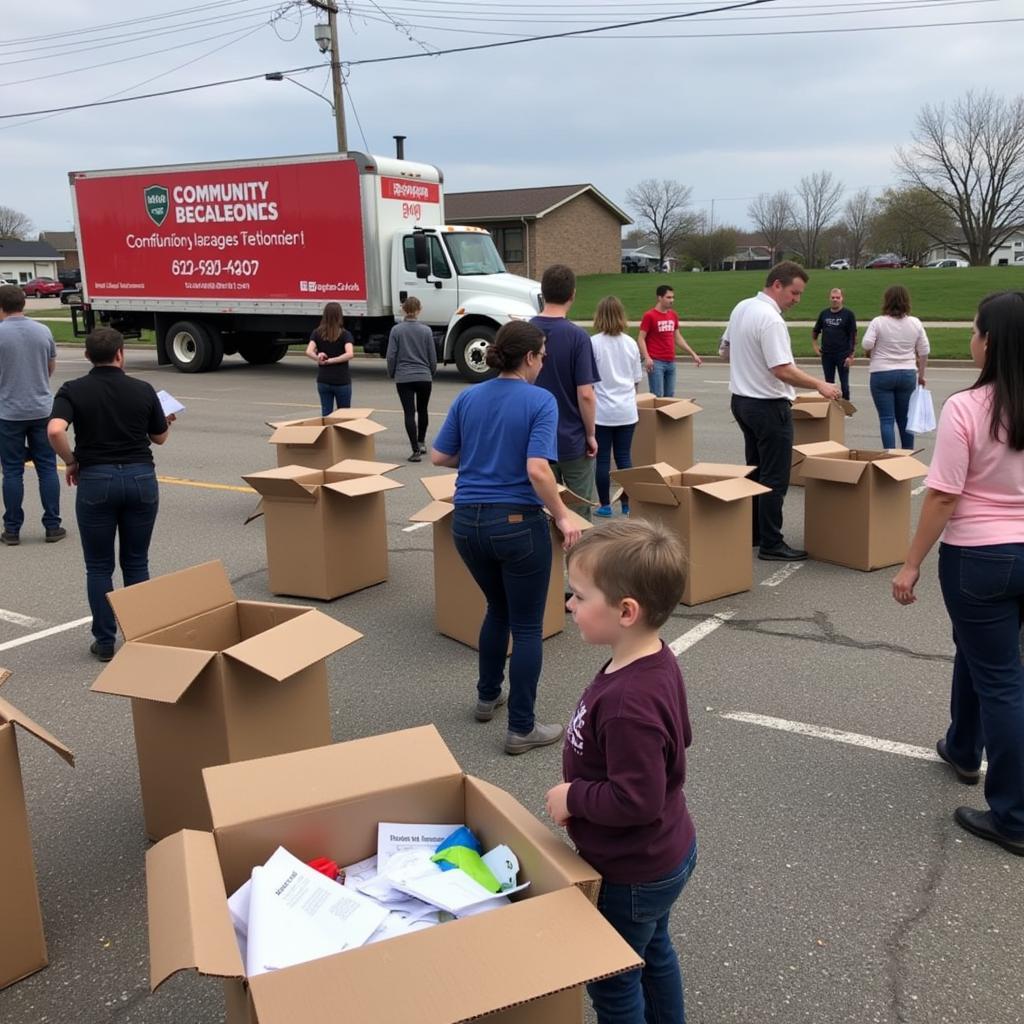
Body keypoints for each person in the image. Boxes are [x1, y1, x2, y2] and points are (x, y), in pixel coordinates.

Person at [546, 519, 697, 1022]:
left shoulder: (630, 700)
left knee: (614, 982)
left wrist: (574, 798)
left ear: (626, 611)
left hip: (632, 872)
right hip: (663, 853)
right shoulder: (648, 660)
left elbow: (637, 799)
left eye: (579, 596)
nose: (569, 605)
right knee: (653, 953)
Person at [892, 291, 1024, 857]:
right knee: (981, 654)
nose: (970, 338)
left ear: (989, 341)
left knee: (1001, 680)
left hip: (980, 556)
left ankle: (1014, 816)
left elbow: (943, 495)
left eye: (974, 329)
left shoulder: (969, 407)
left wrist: (911, 562)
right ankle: (963, 748)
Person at [432, 321, 582, 755]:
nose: (544, 362)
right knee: (528, 625)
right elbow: (538, 470)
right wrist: (563, 514)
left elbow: (441, 455)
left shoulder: (469, 395)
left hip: (466, 523)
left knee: (497, 607)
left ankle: (486, 696)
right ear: (531, 357)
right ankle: (521, 727)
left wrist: (481, 453)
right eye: (543, 356)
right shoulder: (541, 401)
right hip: (517, 524)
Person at [47, 327, 171, 661]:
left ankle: (104, 641)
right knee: (136, 562)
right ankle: (141, 634)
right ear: (120, 354)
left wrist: (72, 461)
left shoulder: (73, 390)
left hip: (96, 480)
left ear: (87, 356)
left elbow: (55, 429)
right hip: (140, 478)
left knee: (99, 567)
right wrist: (166, 421)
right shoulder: (142, 389)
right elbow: (159, 437)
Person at [727, 261, 841, 561]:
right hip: (767, 405)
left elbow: (724, 349)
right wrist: (820, 384)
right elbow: (782, 369)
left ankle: (754, 532)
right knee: (775, 477)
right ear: (776, 285)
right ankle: (771, 543)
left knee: (755, 469)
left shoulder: (741, 307)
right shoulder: (771, 319)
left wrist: (747, 367)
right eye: (794, 292)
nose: (796, 299)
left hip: (741, 401)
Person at [531, 264, 599, 520]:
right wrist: (591, 434)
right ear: (572, 294)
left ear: (543, 293)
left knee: (541, 512)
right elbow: (586, 394)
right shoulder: (577, 337)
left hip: (536, 440)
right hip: (572, 440)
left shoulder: (524, 332)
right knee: (578, 513)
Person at [0, 284, 64, 545]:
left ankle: (12, 529)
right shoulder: (43, 331)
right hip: (41, 408)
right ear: (24, 303)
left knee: (12, 471)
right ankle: (52, 525)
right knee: (47, 468)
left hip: (8, 411)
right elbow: (50, 367)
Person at [590, 296, 642, 518]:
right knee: (624, 458)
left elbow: (588, 380)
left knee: (602, 459)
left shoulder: (593, 343)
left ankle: (604, 504)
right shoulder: (630, 343)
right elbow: (636, 379)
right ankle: (627, 504)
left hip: (601, 411)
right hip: (626, 410)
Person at [862, 285, 929, 449]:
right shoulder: (915, 323)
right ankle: (907, 455)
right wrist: (921, 375)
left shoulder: (878, 322)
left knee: (886, 419)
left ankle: (891, 458)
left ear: (887, 301)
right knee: (905, 418)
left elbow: (867, 343)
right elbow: (924, 351)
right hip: (907, 373)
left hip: (881, 373)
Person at [386, 296, 437, 462]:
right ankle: (422, 442)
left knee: (409, 412)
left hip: (404, 377)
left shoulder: (396, 330)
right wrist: (431, 372)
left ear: (403, 310)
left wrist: (392, 372)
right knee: (423, 410)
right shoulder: (426, 331)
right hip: (424, 376)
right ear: (419, 310)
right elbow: (432, 356)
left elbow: (391, 355)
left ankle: (415, 450)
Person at [637, 284, 703, 397]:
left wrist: (693, 354)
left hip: (670, 361)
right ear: (659, 298)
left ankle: (666, 416)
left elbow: (677, 337)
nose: (672, 300)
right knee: (657, 396)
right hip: (656, 362)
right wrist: (647, 357)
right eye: (668, 297)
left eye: (673, 297)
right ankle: (655, 415)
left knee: (670, 396)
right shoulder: (650, 316)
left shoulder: (673, 315)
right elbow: (641, 338)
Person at [305, 302, 355, 415]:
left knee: (326, 413)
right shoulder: (345, 334)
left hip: (323, 380)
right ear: (339, 315)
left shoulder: (317, 333)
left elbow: (308, 351)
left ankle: (327, 432)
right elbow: (350, 353)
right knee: (344, 415)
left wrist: (318, 357)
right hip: (341, 380)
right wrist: (332, 360)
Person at [812, 287, 857, 401]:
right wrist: (815, 345)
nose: (835, 300)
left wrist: (851, 355)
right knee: (828, 383)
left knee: (844, 383)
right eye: (833, 297)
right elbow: (816, 331)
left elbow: (853, 335)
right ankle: (831, 407)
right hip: (827, 354)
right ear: (829, 298)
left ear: (842, 299)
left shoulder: (848, 314)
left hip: (843, 354)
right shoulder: (824, 314)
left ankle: (846, 407)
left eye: (837, 297)